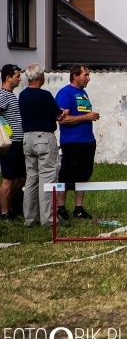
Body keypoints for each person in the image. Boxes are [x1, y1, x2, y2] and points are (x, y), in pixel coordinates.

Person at [19, 64, 67, 227]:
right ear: (40, 77)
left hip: (28, 138)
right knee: (48, 178)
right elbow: (58, 115)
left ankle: (30, 218)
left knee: (31, 179)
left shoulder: (23, 95)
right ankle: (49, 219)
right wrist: (62, 114)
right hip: (44, 138)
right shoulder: (45, 95)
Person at [55, 64, 100, 221]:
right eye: (85, 75)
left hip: (87, 141)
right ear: (75, 76)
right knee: (67, 175)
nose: (88, 78)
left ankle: (78, 208)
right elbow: (62, 119)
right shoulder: (65, 93)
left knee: (83, 175)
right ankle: (60, 208)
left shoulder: (83, 93)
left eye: (88, 75)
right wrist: (85, 117)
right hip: (72, 142)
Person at [0, 64, 25, 221]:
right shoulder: (2, 95)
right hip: (10, 143)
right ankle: (4, 212)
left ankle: (12, 205)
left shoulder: (11, 95)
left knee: (21, 177)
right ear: (8, 78)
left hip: (18, 142)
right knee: (8, 178)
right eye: (17, 76)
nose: (19, 78)